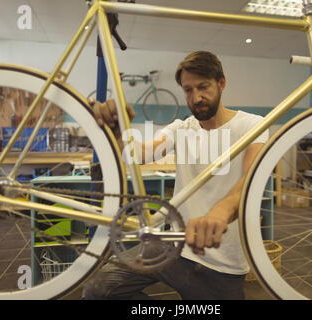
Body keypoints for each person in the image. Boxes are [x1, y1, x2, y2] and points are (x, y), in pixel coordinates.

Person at [83, 51, 269, 300]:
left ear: (221, 83)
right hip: (174, 248)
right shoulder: (182, 128)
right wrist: (116, 132)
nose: (196, 97)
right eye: (188, 90)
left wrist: (220, 212)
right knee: (99, 289)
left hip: (223, 265)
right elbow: (139, 153)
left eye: (203, 87)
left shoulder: (252, 125)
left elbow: (251, 178)